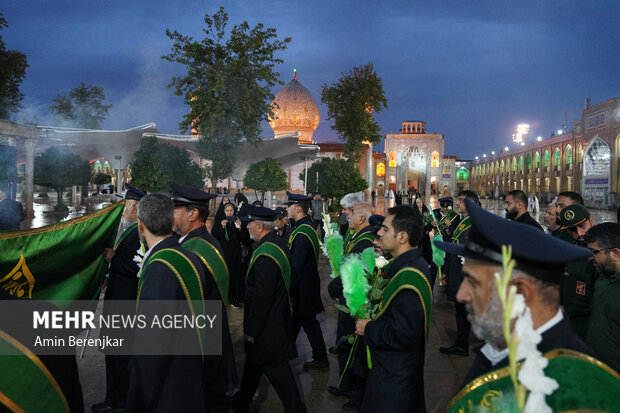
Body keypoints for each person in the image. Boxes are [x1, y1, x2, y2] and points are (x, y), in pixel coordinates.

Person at [435, 199, 620, 412]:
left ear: (521, 290)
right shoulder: (502, 349)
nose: (461, 295)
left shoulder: (576, 393)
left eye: (475, 283)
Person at [126, 193, 224, 412]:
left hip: (169, 387)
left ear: (140, 226)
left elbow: (153, 344)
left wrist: (138, 396)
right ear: (171, 222)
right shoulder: (187, 256)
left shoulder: (161, 266)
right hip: (191, 374)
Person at [354, 205, 431, 413]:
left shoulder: (410, 276)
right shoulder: (407, 265)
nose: (379, 232)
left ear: (402, 237)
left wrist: (368, 328)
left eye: (386, 229)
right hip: (393, 373)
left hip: (395, 381)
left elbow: (404, 334)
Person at [169, 183, 237, 409]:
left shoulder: (193, 250)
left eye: (176, 209)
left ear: (193, 214)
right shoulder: (201, 242)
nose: (172, 214)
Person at [231, 205, 305, 413]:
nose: (246, 228)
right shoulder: (275, 243)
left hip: (268, 328)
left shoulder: (266, 254)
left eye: (249, 225)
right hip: (273, 321)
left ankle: (296, 409)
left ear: (259, 226)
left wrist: (252, 331)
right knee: (253, 366)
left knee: (278, 372)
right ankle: (241, 402)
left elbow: (262, 297)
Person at [92, 183, 146, 413]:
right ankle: (112, 398)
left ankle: (120, 402)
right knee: (112, 354)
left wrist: (114, 259)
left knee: (120, 356)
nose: (121, 209)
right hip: (116, 300)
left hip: (126, 305)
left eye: (124, 205)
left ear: (134, 209)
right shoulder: (127, 229)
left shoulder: (140, 233)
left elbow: (139, 267)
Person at [327, 202, 376, 411]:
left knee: (354, 346)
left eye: (352, 212)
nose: (347, 214)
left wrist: (333, 288)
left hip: (357, 303)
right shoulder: (357, 236)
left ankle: (357, 395)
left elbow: (354, 272)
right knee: (345, 343)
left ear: (362, 218)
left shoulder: (365, 241)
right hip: (349, 297)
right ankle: (346, 384)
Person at [285, 191, 329, 371]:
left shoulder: (301, 233)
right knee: (304, 322)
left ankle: (283, 356)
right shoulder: (306, 226)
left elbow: (296, 267)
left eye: (289, 206)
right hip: (308, 286)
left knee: (305, 321)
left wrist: (289, 289)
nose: (286, 209)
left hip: (303, 288)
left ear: (297, 209)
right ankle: (318, 358)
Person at [439, 190, 478, 357]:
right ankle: (461, 343)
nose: (458, 204)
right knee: (460, 311)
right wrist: (447, 271)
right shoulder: (464, 221)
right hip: (456, 272)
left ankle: (463, 344)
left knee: (464, 311)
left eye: (461, 201)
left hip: (465, 276)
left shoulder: (476, 223)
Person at [558, 203, 599, 340]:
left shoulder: (604, 252)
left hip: (590, 323)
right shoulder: (566, 250)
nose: (580, 233)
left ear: (591, 221)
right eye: (572, 230)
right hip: (568, 321)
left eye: (582, 226)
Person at [584, 222, 620, 373]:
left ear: (615, 253)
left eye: (594, 252)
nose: (590, 258)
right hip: (595, 371)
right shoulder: (602, 278)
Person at [212, 199, 245, 309]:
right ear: (223, 211)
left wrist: (240, 228)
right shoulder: (219, 221)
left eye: (231, 211)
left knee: (235, 275)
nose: (230, 213)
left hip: (235, 254)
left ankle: (234, 298)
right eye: (227, 211)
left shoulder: (236, 222)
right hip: (224, 253)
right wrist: (221, 227)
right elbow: (214, 234)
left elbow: (242, 238)